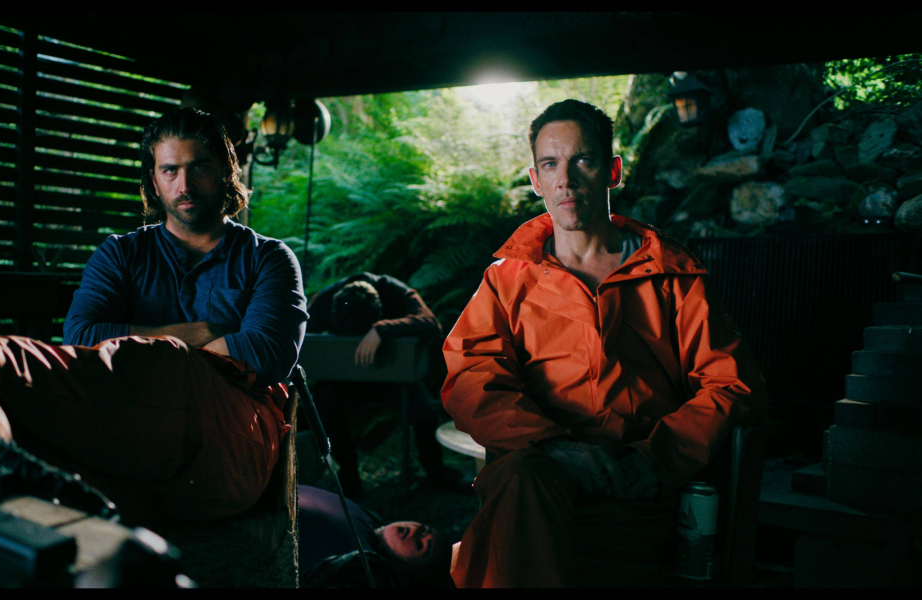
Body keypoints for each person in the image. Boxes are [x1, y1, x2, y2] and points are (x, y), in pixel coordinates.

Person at [0, 107, 308, 522]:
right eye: (170, 170)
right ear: (153, 181)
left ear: (226, 172)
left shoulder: (268, 259)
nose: (184, 185)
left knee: (163, 363)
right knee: (38, 457)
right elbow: (80, 337)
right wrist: (202, 331)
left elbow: (264, 352)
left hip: (236, 442)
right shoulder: (121, 254)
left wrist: (160, 347)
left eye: (200, 167)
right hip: (135, 438)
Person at [441, 99, 769, 588]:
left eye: (583, 160)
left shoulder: (669, 274)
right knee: (523, 481)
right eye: (550, 164)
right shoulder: (508, 280)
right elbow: (471, 376)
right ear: (535, 180)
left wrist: (656, 458)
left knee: (508, 540)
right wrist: (553, 444)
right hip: (541, 473)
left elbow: (732, 383)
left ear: (612, 171)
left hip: (633, 483)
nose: (566, 180)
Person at [306, 273, 464, 497]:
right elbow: (300, 331)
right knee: (321, 401)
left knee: (425, 412)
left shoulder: (394, 291)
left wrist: (382, 329)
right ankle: (348, 476)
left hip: (392, 376)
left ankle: (435, 474)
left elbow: (431, 323)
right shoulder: (326, 299)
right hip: (345, 380)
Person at [297, 484, 452, 588]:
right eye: (424, 529)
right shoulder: (370, 520)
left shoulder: (360, 566)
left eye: (419, 545)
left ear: (407, 571)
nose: (414, 532)